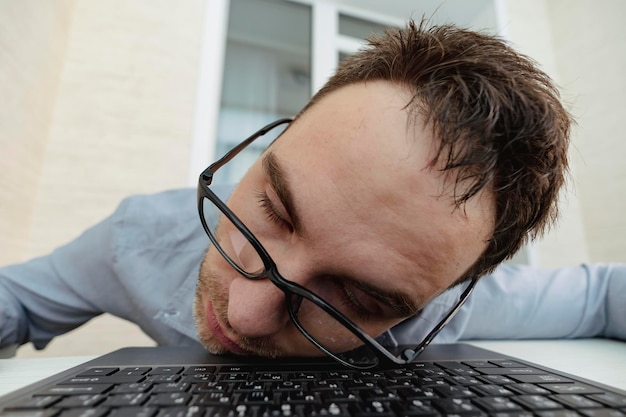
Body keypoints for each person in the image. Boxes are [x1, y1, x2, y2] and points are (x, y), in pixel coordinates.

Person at [0, 20, 624, 365]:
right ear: (263, 148)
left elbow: (602, 297)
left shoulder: (447, 308)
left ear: (439, 295)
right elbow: (17, 302)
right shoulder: (136, 239)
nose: (242, 318)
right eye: (271, 210)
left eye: (355, 295)